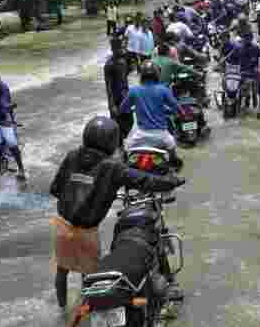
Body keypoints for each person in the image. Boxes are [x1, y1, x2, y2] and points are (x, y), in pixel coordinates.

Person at [50, 117, 184, 308]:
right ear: (111, 141)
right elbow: (143, 180)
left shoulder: (72, 156)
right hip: (88, 230)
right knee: (93, 280)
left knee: (61, 273)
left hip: (63, 225)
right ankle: (91, 312)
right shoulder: (111, 166)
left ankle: (63, 313)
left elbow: (55, 189)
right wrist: (172, 182)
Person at [119, 62, 182, 166]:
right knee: (173, 151)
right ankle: (173, 160)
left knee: (125, 152)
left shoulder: (134, 90)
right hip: (161, 136)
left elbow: (122, 109)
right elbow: (177, 108)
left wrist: (129, 110)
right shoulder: (163, 90)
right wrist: (176, 113)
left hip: (140, 136)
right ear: (157, 75)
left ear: (142, 76)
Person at [104, 37, 133, 150]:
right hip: (116, 100)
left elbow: (126, 77)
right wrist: (112, 106)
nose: (119, 49)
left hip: (125, 98)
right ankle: (119, 148)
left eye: (120, 47)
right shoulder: (109, 65)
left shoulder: (123, 61)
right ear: (112, 49)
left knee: (130, 123)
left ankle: (124, 145)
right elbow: (108, 87)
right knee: (118, 127)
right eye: (116, 48)